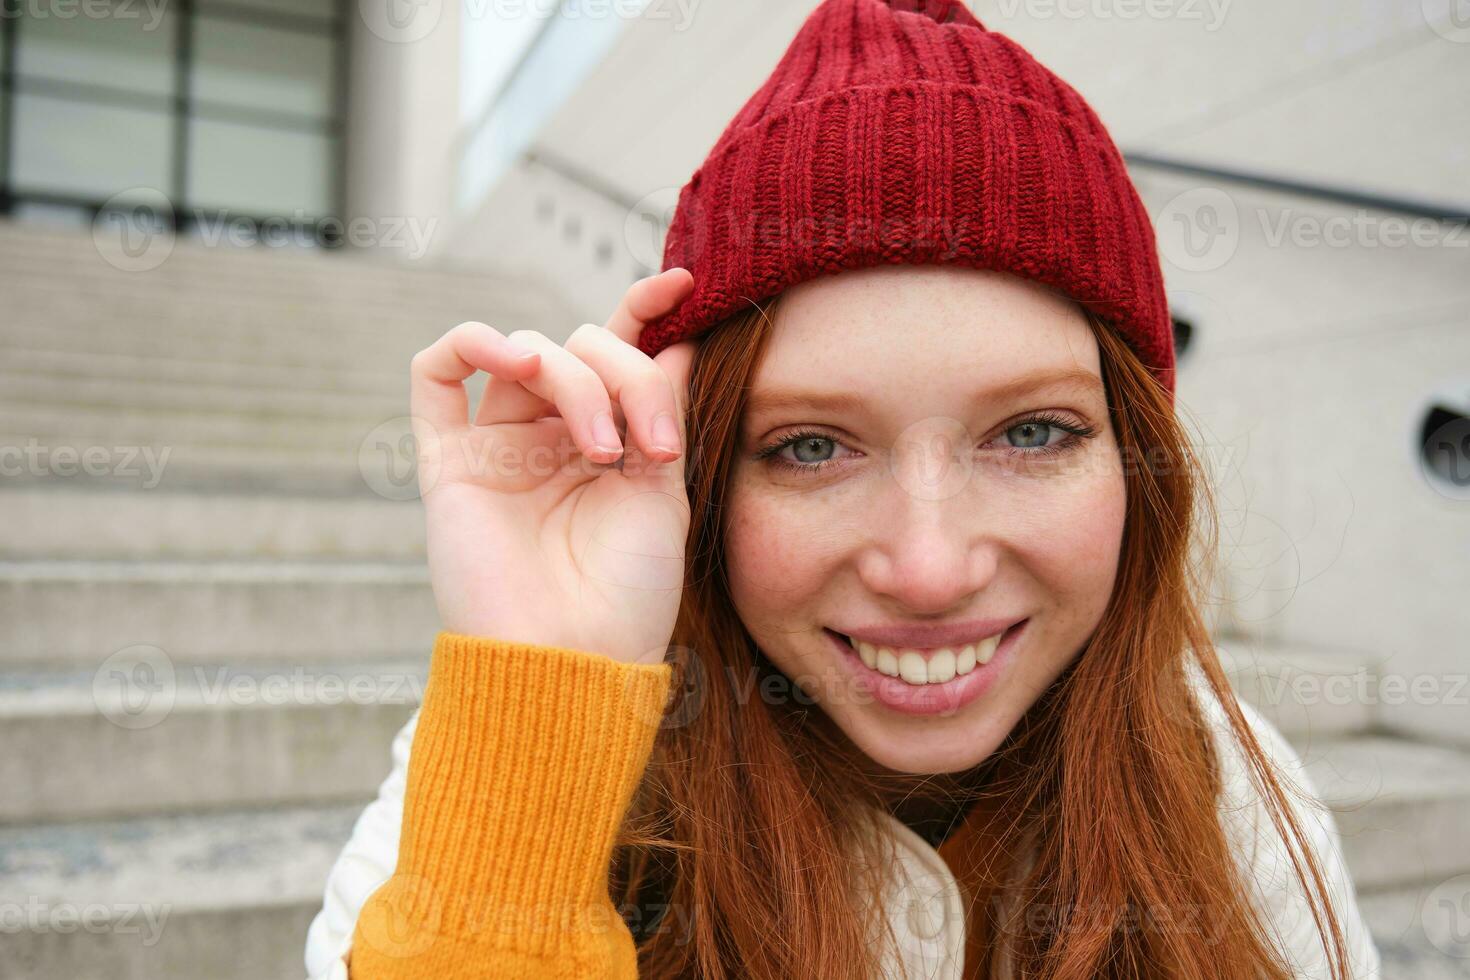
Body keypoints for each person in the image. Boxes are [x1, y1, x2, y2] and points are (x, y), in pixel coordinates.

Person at [307, 0, 1382, 976]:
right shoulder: (505, 751)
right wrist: (538, 706)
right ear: (703, 467)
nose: (927, 568)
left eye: (1035, 430)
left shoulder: (1231, 784)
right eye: (812, 447)